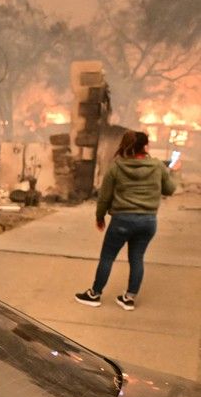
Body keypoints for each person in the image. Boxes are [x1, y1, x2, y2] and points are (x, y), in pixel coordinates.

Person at [75, 130, 178, 311]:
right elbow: (169, 189)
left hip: (122, 220)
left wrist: (100, 217)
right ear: (146, 146)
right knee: (137, 258)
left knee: (107, 257)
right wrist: (172, 172)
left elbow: (104, 198)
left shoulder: (117, 167)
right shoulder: (157, 166)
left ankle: (94, 294)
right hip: (147, 222)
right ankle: (129, 298)